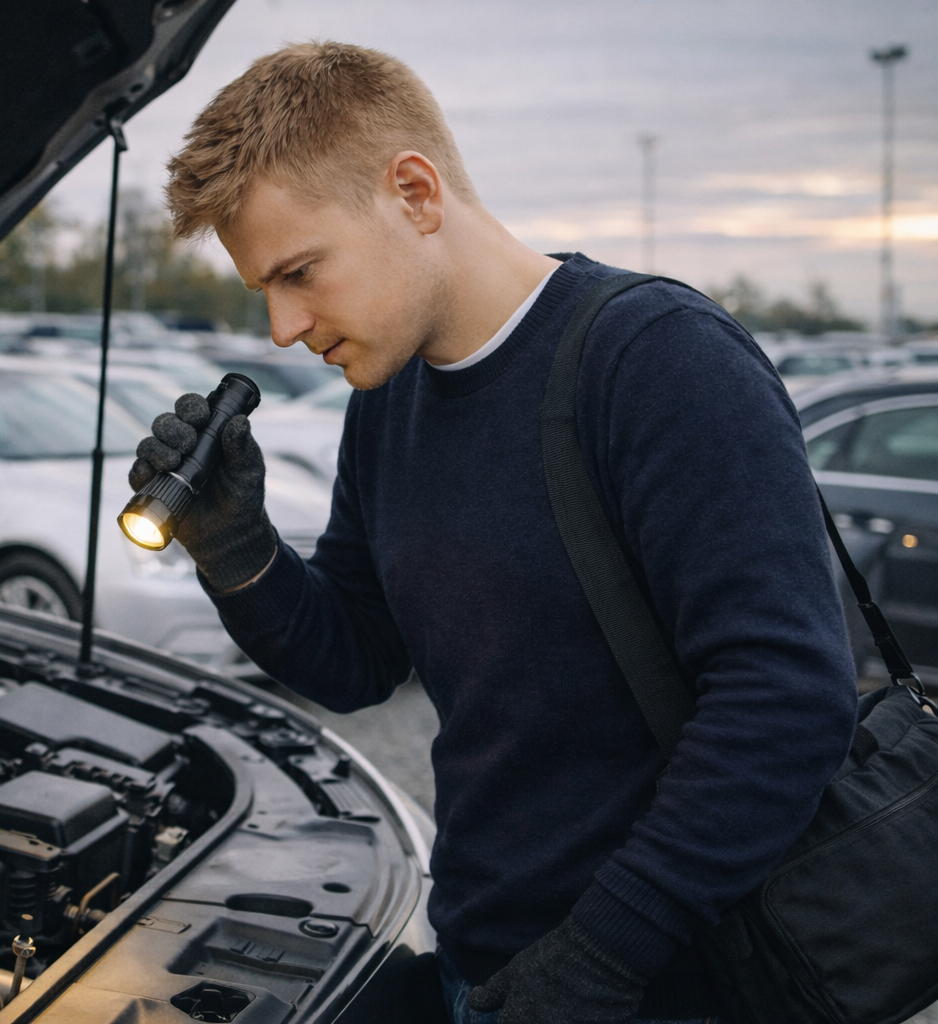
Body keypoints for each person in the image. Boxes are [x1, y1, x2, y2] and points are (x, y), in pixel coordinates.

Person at [131, 42, 857, 1024]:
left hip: (666, 990)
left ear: (415, 193)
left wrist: (599, 957)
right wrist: (237, 550)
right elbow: (358, 659)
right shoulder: (387, 404)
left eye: (300, 272)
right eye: (266, 287)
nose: (283, 326)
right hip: (483, 964)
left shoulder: (659, 361)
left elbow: (787, 700)